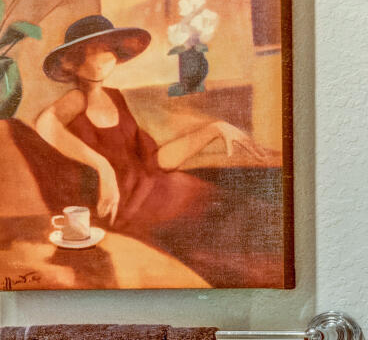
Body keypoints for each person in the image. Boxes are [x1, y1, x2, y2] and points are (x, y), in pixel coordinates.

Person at [29, 13, 267, 231]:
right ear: (73, 62)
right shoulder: (76, 99)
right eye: (91, 51)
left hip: (151, 191)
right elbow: (45, 124)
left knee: (237, 210)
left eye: (108, 50)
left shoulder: (115, 97)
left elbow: (155, 161)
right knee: (227, 223)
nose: (102, 59)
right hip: (121, 208)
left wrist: (213, 130)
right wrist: (104, 168)